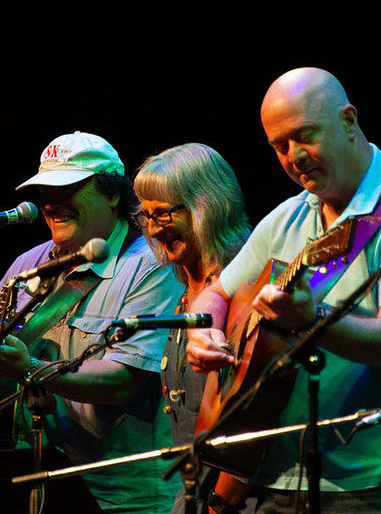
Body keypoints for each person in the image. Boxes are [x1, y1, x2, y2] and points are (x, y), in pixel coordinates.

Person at [185, 68, 381, 512]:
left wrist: (311, 320)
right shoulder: (288, 217)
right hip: (274, 477)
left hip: (377, 484)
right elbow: (214, 293)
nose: (293, 157)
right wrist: (203, 331)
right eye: (279, 147)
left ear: (348, 121)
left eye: (303, 137)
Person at [0, 131, 185, 512]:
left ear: (113, 193)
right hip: (33, 481)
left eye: (67, 189)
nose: (51, 204)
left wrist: (32, 369)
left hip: (119, 496)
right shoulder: (29, 263)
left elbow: (124, 381)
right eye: (44, 192)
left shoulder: (152, 267)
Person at [133, 142, 251, 513]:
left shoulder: (246, 288)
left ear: (208, 207)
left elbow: (255, 416)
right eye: (146, 216)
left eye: (164, 215)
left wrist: (219, 503)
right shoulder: (186, 291)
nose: (153, 230)